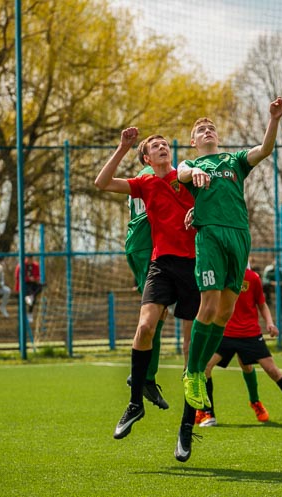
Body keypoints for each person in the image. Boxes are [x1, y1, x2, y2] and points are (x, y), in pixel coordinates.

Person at [176, 96, 282, 462]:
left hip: (239, 236)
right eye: (199, 130)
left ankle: (196, 370)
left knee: (223, 313)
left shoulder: (233, 161)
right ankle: (193, 374)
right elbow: (179, 173)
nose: (206, 131)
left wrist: (273, 119)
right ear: (193, 141)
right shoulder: (191, 163)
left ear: (217, 137)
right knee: (207, 305)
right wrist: (195, 174)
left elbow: (266, 149)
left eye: (210, 128)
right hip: (210, 235)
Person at [94, 128, 200, 441]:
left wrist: (201, 210)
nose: (162, 147)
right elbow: (101, 183)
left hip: (194, 265)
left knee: (189, 346)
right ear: (146, 158)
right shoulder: (145, 182)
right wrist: (122, 146)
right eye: (155, 146)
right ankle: (135, 403)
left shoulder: (189, 177)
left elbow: (218, 203)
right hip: (161, 264)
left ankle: (187, 425)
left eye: (165, 144)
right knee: (145, 327)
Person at [195, 265, 282, 428]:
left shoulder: (253, 278)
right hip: (225, 333)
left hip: (250, 335)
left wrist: (270, 323)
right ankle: (208, 414)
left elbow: (262, 303)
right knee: (205, 368)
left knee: (273, 371)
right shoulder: (220, 275)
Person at [123, 163, 170, 411]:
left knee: (160, 313)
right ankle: (144, 378)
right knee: (153, 315)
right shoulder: (150, 175)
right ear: (146, 156)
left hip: (144, 243)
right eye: (155, 146)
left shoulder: (141, 178)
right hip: (145, 244)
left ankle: (147, 376)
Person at [14, 255, 43, 323]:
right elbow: (17, 276)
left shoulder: (35, 265)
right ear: (26, 259)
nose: (30, 260)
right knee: (31, 293)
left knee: (40, 288)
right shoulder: (21, 266)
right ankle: (29, 312)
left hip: (33, 283)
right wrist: (28, 279)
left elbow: (38, 275)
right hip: (24, 284)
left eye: (31, 259)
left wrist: (35, 279)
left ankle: (30, 298)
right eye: (29, 259)